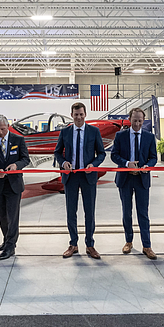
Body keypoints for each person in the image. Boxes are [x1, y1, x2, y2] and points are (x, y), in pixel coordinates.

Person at [54, 102, 106, 259]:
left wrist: (94, 164)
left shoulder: (94, 131)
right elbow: (57, 153)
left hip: (88, 176)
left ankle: (90, 244)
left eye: (81, 114)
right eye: (76, 114)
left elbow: (102, 154)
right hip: (71, 176)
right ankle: (73, 244)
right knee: (71, 211)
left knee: (89, 212)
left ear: (85, 115)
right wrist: (63, 163)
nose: (78, 117)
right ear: (72, 115)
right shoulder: (65, 132)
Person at [110, 107, 158, 260]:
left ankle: (147, 245)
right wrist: (126, 163)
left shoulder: (149, 137)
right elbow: (114, 155)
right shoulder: (120, 136)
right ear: (129, 119)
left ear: (144, 121)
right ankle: (128, 241)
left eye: (140, 120)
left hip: (142, 179)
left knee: (143, 213)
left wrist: (147, 166)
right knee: (127, 212)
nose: (137, 123)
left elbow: (153, 157)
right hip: (125, 178)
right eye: (134, 120)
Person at [0, 114, 30, 261]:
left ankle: (11, 246)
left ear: (8, 126)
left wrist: (16, 165)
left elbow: (25, 159)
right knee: (2, 216)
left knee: (13, 216)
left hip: (14, 185)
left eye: (2, 129)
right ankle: (6, 240)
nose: (0, 133)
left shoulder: (18, 140)